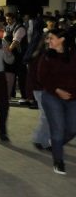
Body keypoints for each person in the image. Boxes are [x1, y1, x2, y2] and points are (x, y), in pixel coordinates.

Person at [36, 28, 76, 174]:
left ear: (62, 40)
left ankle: (56, 142)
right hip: (52, 96)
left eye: (51, 38)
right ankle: (58, 161)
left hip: (73, 97)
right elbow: (42, 78)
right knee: (58, 129)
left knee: (72, 129)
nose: (48, 41)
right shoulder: (47, 56)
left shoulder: (73, 55)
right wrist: (58, 90)